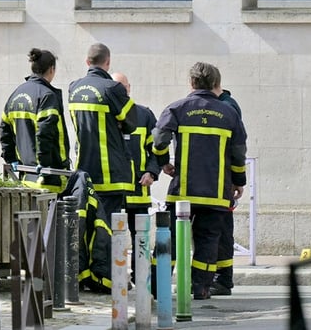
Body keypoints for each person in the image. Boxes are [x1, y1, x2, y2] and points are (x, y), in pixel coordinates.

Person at [152, 62, 247, 300]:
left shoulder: (177, 108)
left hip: (183, 190)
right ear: (216, 85)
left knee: (170, 238)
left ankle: (157, 287)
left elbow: (159, 139)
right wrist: (238, 181)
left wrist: (163, 161)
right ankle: (201, 288)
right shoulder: (229, 113)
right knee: (207, 242)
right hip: (215, 194)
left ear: (192, 83)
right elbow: (238, 153)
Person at [68, 43, 137, 224]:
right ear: (108, 62)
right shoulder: (113, 88)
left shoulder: (74, 88)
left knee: (86, 225)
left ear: (87, 61)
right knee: (107, 229)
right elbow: (132, 123)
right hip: (110, 175)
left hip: (83, 171)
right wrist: (118, 123)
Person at [0, 48, 72, 193]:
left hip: (26, 176)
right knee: (53, 215)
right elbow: (44, 132)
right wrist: (44, 163)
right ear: (52, 69)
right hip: (50, 177)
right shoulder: (46, 96)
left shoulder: (16, 94)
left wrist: (11, 158)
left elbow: (4, 129)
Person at [111, 72, 160, 274]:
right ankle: (114, 277)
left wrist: (152, 172)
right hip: (112, 190)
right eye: (116, 87)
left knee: (140, 236)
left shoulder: (144, 115)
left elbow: (157, 149)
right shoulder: (104, 115)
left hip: (138, 191)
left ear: (129, 88)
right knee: (111, 236)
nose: (121, 91)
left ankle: (140, 276)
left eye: (123, 87)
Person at [210, 81, 244, 296]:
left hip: (222, 180)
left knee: (221, 231)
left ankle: (222, 278)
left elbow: (236, 146)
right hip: (214, 179)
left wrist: (237, 179)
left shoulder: (227, 106)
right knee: (215, 231)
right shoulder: (221, 105)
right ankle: (218, 277)